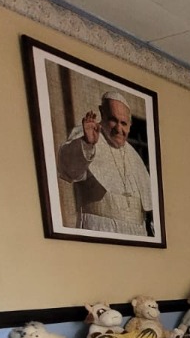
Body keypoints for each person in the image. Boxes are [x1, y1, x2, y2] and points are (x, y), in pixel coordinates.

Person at [58, 91, 154, 236]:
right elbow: (68, 170)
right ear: (102, 113)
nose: (118, 129)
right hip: (99, 229)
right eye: (113, 120)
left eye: (124, 123)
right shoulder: (87, 135)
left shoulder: (134, 155)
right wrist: (87, 144)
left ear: (130, 125)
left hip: (136, 233)